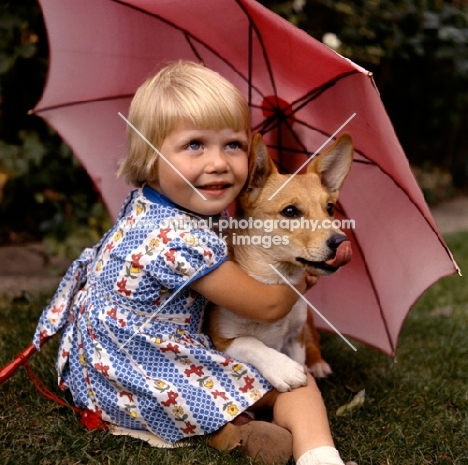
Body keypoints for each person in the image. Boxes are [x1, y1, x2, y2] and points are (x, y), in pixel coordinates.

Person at [33, 60, 346, 465]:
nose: (218, 162)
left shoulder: (150, 209)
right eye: (195, 145)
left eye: (232, 145)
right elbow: (267, 305)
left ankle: (229, 429)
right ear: (150, 155)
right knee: (299, 387)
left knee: (266, 371)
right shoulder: (181, 242)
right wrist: (305, 279)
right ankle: (319, 457)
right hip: (147, 375)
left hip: (95, 373)